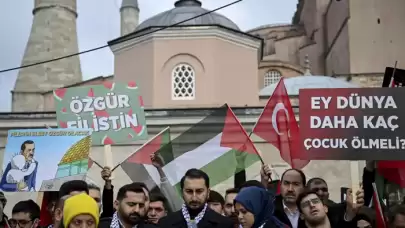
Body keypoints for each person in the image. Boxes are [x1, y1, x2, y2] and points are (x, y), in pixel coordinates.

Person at [158, 168, 234, 228]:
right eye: (189, 191)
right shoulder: (165, 223)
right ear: (182, 193)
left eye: (199, 191)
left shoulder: (224, 224)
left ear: (208, 192)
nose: (194, 198)